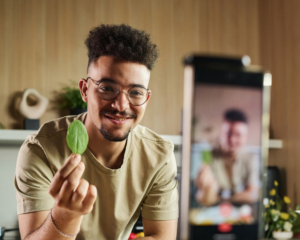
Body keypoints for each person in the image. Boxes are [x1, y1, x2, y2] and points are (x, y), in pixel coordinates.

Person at [15, 24, 178, 240]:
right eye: (107, 88)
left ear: (146, 99)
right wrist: (65, 216)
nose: (121, 105)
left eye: (136, 92)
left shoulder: (159, 156)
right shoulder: (41, 149)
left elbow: (161, 237)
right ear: (84, 90)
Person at [195, 109, 259, 206]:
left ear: (246, 137)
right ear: (221, 133)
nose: (232, 139)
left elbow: (253, 194)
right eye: (228, 133)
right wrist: (205, 188)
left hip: (241, 211)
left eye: (238, 135)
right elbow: (201, 195)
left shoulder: (251, 159)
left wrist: (224, 198)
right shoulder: (208, 154)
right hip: (212, 209)